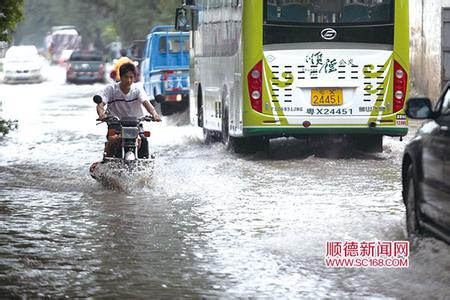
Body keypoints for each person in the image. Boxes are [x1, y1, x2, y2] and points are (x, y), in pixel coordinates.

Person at [96, 62, 162, 157]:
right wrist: (101, 115)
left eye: (131, 77)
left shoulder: (137, 90)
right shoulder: (111, 89)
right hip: (116, 124)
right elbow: (100, 104)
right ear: (120, 76)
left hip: (136, 124)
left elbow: (146, 103)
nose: (129, 80)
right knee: (112, 139)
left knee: (143, 139)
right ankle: (107, 161)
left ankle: (145, 165)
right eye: (126, 77)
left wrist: (154, 114)